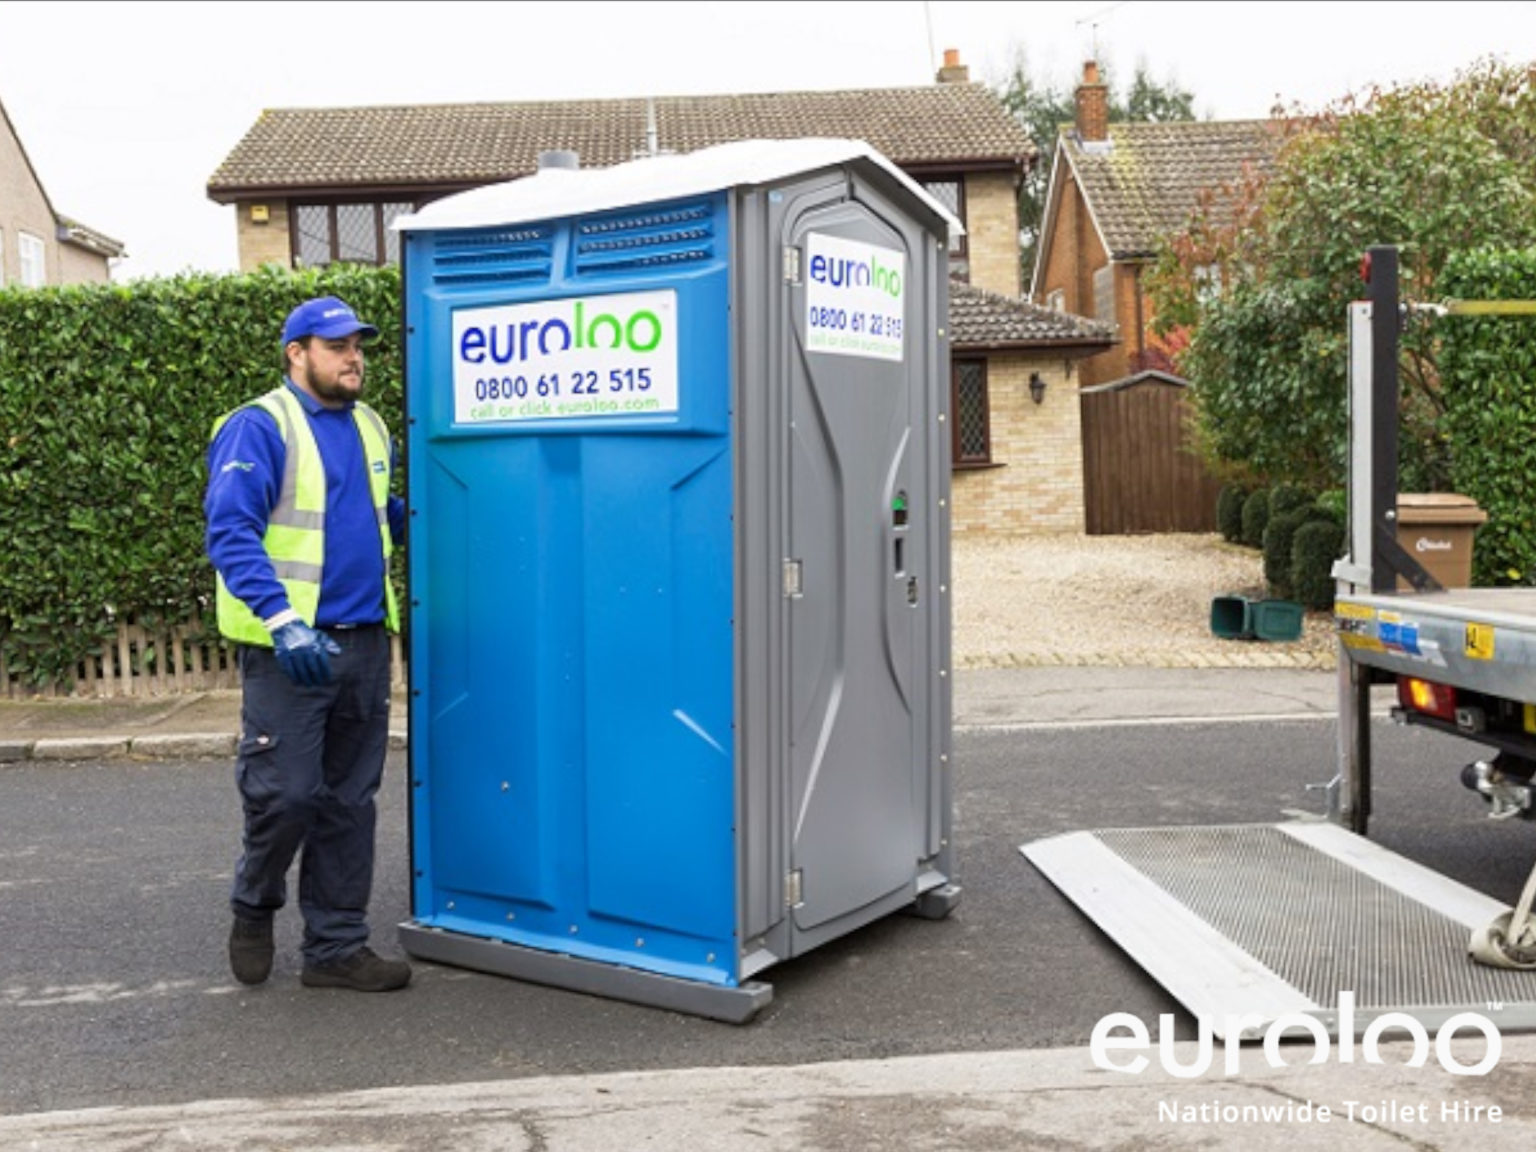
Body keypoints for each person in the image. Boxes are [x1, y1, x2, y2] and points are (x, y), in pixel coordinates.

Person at [205, 294, 410, 993]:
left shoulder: (374, 426)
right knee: (287, 794)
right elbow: (231, 532)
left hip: (361, 645)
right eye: (336, 345)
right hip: (290, 649)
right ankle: (254, 903)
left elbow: (380, 516)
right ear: (297, 354)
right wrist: (281, 619)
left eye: (359, 345)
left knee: (349, 801)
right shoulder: (259, 427)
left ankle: (335, 949)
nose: (353, 357)